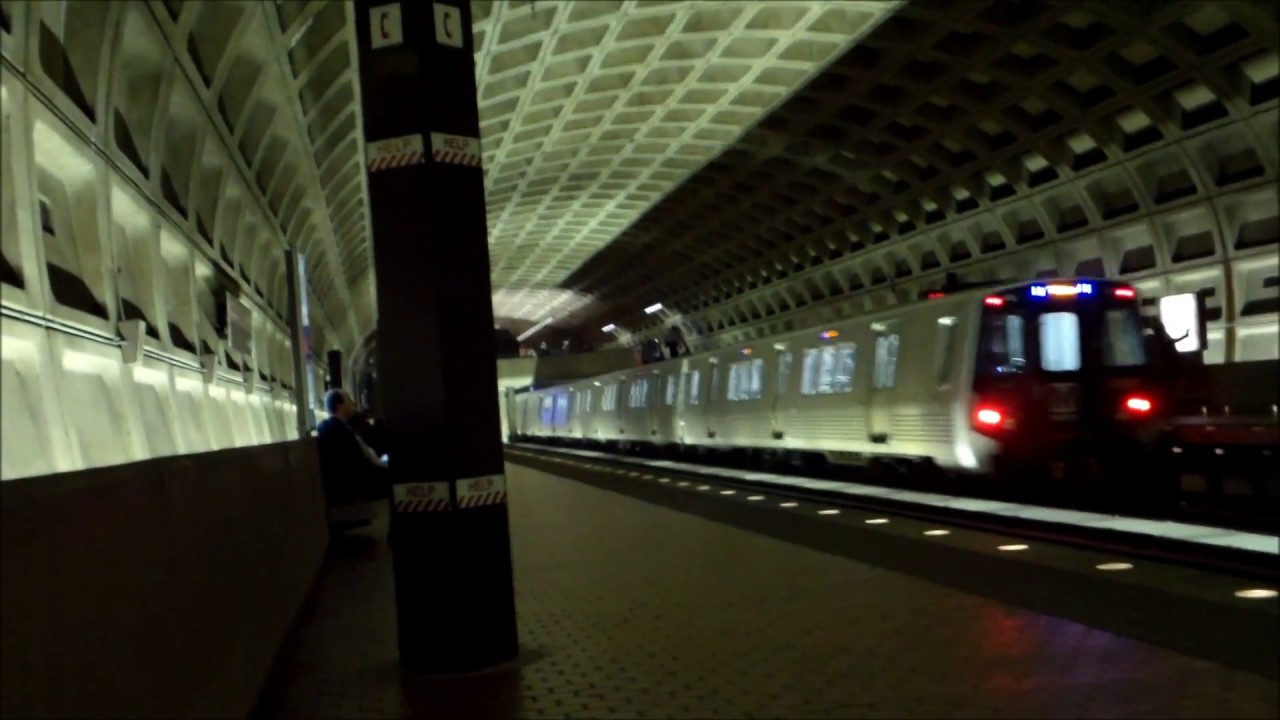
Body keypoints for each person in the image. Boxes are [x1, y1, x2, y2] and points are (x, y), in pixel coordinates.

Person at [317, 389, 388, 505]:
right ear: (340, 406)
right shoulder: (341, 432)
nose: (352, 403)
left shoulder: (331, 427)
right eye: (348, 400)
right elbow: (360, 463)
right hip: (357, 484)